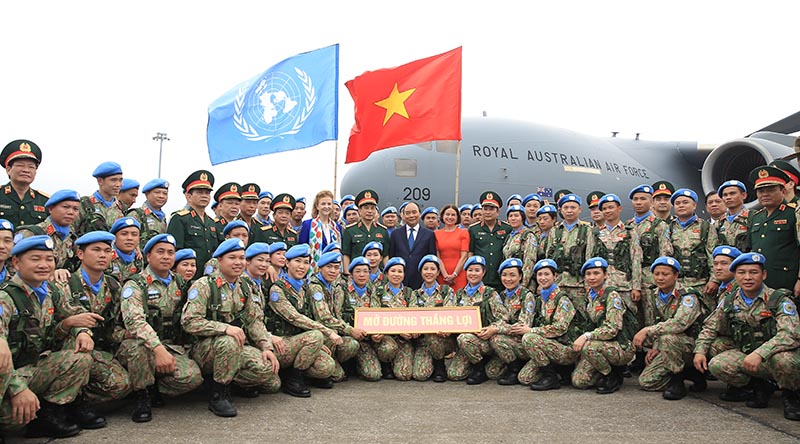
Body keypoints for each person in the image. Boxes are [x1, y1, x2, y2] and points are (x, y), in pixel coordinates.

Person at [0, 236, 93, 439]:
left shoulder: (51, 291)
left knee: (80, 359)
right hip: (6, 376)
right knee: (12, 420)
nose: (44, 265)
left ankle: (46, 417)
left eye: (49, 259)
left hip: (31, 368)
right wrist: (18, 390)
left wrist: (82, 331)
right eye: (35, 259)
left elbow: (73, 313)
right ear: (16, 263)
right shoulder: (6, 297)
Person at [693, 252, 800, 420]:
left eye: (753, 272)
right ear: (735, 275)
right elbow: (710, 326)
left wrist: (760, 353)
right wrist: (699, 351)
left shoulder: (778, 300)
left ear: (763, 275)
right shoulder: (730, 301)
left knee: (785, 360)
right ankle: (758, 386)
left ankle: (791, 395)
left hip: (774, 355)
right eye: (742, 273)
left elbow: (791, 334)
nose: (747, 277)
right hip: (748, 352)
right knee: (717, 363)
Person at [181, 238, 277, 417]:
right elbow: (189, 321)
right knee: (228, 341)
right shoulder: (204, 286)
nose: (238, 262)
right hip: (204, 349)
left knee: (265, 368)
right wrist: (224, 328)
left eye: (241, 258)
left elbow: (254, 321)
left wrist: (266, 346)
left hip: (233, 346)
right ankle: (219, 394)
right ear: (219, 260)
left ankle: (228, 382)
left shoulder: (245, 286)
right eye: (232, 258)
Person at [117, 234, 203, 423]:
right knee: (140, 349)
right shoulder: (135, 284)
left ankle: (152, 383)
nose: (166, 256)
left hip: (170, 345)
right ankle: (142, 395)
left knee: (192, 378)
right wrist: (158, 349)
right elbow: (135, 322)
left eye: (170, 253)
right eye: (160, 252)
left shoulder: (180, 283)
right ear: (148, 256)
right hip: (137, 344)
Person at [52, 231, 131, 419]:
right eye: (96, 250)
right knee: (77, 337)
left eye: (106, 251)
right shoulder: (65, 283)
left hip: (98, 348)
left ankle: (80, 395)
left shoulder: (113, 286)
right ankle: (71, 404)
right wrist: (77, 328)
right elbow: (59, 323)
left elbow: (115, 325)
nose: (102, 255)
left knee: (122, 385)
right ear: (80, 254)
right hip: (67, 349)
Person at [265, 244, 340, 395]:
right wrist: (326, 332)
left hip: (300, 341)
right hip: (281, 343)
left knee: (327, 367)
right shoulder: (278, 289)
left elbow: (314, 316)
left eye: (306, 263)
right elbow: (295, 317)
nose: (302, 266)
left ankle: (297, 373)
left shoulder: (305, 288)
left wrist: (320, 342)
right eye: (297, 261)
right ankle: (294, 379)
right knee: (271, 385)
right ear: (287, 263)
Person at [633, 257, 705, 400]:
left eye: (665, 274)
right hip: (668, 346)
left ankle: (677, 381)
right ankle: (689, 373)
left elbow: (680, 323)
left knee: (668, 338)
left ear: (676, 275)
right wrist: (656, 346)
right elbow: (652, 320)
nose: (660, 278)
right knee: (646, 381)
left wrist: (648, 330)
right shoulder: (653, 295)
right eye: (657, 274)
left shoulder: (688, 295)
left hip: (691, 346)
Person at [571, 257, 637, 394]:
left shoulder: (612, 295)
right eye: (588, 274)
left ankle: (611, 377)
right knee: (579, 381)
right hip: (601, 345)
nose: (592, 277)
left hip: (620, 345)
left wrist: (587, 336)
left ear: (606, 275)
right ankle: (606, 369)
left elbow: (612, 328)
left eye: (596, 273)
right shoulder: (590, 296)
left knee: (588, 346)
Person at [520, 259, 582, 391]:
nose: (543, 278)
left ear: (555, 276)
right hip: (547, 346)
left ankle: (551, 376)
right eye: (540, 275)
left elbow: (560, 328)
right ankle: (556, 369)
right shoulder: (540, 299)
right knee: (525, 378)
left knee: (529, 338)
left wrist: (531, 330)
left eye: (547, 274)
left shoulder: (561, 299)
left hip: (565, 348)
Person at [447, 256, 506, 384]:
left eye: (477, 270)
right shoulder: (459, 294)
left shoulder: (490, 294)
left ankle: (479, 369)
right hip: (466, 342)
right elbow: (450, 317)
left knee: (492, 372)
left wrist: (492, 329)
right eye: (470, 270)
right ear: (466, 272)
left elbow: (503, 318)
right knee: (454, 375)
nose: (473, 274)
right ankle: (476, 361)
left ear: (483, 272)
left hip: (485, 339)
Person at [306, 251, 363, 383]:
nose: (333, 271)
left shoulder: (335, 286)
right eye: (329, 267)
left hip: (336, 333)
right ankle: (313, 371)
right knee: (337, 376)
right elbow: (324, 317)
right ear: (320, 268)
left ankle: (334, 361)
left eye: (336, 268)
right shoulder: (315, 288)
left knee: (352, 345)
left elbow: (341, 313)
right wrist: (349, 330)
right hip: (321, 335)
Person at [747, 165, 800, 294]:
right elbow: (750, 249)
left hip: (786, 282)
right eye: (761, 191)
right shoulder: (756, 217)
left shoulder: (793, 214)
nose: (765, 194)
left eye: (771, 190)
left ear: (782, 191)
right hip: (759, 284)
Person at [667, 188, 719, 311]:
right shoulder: (669, 228)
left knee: (703, 317)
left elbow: (712, 255)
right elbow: (666, 256)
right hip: (678, 284)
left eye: (685, 202)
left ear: (694, 205)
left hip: (701, 284)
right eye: (678, 203)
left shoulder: (706, 227)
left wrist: (714, 280)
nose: (681, 206)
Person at [488, 258, 537, 386]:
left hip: (523, 341)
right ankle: (513, 363)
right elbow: (498, 319)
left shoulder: (526, 295)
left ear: (520, 276)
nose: (508, 279)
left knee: (496, 339)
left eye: (512, 275)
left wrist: (497, 329)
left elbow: (522, 326)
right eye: (504, 275)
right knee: (491, 372)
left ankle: (514, 369)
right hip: (508, 341)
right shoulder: (501, 296)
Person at [408, 255, 457, 382]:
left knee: (433, 337)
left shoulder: (446, 291)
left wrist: (446, 328)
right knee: (420, 375)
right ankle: (429, 362)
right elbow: (413, 316)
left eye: (432, 269)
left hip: (442, 339)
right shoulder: (415, 294)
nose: (429, 272)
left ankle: (439, 365)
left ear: (438, 272)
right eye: (425, 269)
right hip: (423, 342)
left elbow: (450, 313)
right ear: (421, 272)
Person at [546, 194, 595, 314]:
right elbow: (549, 258)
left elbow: (589, 258)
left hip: (578, 286)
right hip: (558, 284)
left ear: (579, 209)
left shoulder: (587, 229)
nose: (569, 211)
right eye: (566, 208)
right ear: (560, 210)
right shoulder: (555, 231)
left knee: (580, 318)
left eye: (573, 207)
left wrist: (588, 286)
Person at [15, 189, 82, 275]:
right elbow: (13, 266)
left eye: (75, 209)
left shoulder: (73, 238)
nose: (70, 212)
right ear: (50, 209)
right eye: (65, 207)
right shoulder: (33, 234)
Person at [167, 170, 219, 280]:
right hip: (186, 277)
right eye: (199, 192)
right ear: (188, 196)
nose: (204, 196)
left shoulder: (211, 222)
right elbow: (174, 250)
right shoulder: (180, 218)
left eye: (207, 193)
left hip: (208, 278)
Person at [339, 256, 382, 380]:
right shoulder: (342, 290)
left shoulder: (374, 290)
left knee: (374, 375)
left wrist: (377, 333)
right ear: (351, 274)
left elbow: (377, 314)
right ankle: (345, 363)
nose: (362, 275)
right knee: (351, 346)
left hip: (367, 339)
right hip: (347, 337)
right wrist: (350, 330)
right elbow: (336, 315)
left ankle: (359, 364)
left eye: (365, 271)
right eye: (358, 271)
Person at [0, 139, 49, 227]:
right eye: (20, 165)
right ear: (8, 170)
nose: (26, 170)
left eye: (31, 167)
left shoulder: (45, 201)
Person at [468, 192, 511, 291]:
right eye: (485, 209)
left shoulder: (507, 228)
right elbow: (470, 252)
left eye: (491, 209)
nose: (488, 212)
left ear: (498, 211)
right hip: (481, 277)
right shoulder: (473, 229)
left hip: (501, 277)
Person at [390, 202, 437, 290]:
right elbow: (392, 257)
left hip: (420, 281)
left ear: (419, 214)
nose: (411, 215)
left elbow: (431, 258)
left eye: (414, 212)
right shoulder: (395, 234)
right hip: (399, 281)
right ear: (403, 216)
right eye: (407, 213)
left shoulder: (429, 234)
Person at [342, 190, 389, 273]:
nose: (370, 211)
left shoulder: (383, 231)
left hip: (377, 276)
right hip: (357, 275)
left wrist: (387, 273)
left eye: (372, 208)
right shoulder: (350, 230)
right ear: (359, 210)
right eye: (366, 208)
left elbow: (385, 256)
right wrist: (347, 274)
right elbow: (346, 255)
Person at [73, 161, 125, 235]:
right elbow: (71, 231)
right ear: (100, 181)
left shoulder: (122, 208)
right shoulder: (84, 205)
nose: (118, 184)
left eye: (120, 180)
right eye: (113, 180)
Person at [299, 190, 341, 273]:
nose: (326, 206)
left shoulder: (336, 227)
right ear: (317, 206)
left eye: (329, 204)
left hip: (332, 270)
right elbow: (303, 249)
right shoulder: (308, 225)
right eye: (323, 204)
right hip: (314, 269)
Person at [502, 204, 538, 292]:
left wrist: (522, 285)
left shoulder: (528, 235)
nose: (513, 218)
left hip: (524, 285)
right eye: (511, 216)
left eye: (516, 215)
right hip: (510, 282)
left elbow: (529, 262)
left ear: (522, 218)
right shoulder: (509, 236)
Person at [127, 178, 169, 250]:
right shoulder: (137, 214)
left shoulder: (163, 218)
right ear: (147, 194)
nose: (161, 196)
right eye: (157, 192)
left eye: (165, 193)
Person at [434, 204, 469, 291]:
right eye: (447, 214)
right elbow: (438, 257)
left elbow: (464, 257)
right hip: (442, 275)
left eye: (453, 215)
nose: (450, 217)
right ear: (442, 216)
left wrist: (454, 274)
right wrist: (445, 275)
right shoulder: (436, 234)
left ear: (457, 217)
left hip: (459, 275)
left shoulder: (463, 233)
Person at [716, 180, 750, 252]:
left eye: (732, 193)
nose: (728, 197)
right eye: (725, 195)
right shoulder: (719, 223)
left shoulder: (753, 218)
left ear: (744, 195)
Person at [107, 217, 143, 282]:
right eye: (124, 234)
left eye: (134, 235)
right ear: (115, 237)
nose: (129, 238)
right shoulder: (107, 257)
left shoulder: (138, 259)